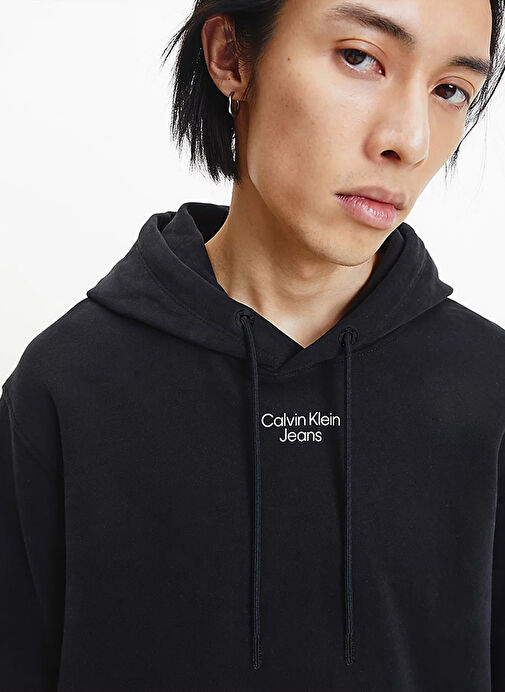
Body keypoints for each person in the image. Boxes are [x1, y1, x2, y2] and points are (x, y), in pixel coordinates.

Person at [2, 0, 505, 689]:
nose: (410, 140)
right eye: (360, 57)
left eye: (450, 90)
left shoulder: (489, 390)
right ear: (231, 56)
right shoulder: (68, 384)